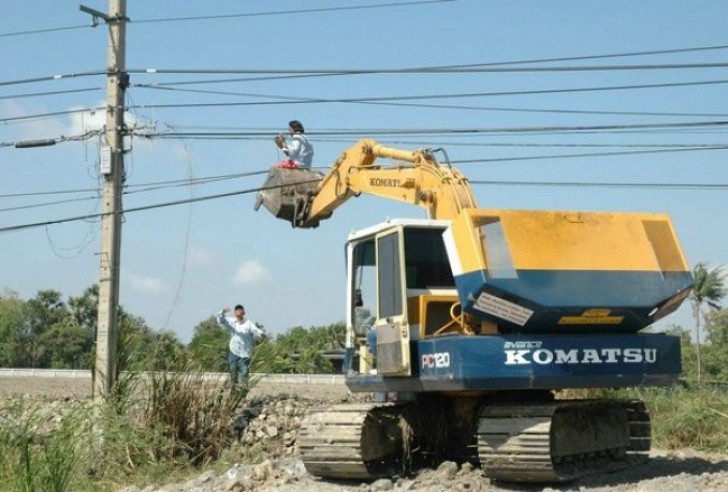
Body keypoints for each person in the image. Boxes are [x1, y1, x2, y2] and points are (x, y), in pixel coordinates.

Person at [216, 304, 266, 385]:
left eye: (240, 309)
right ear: (234, 312)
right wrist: (223, 311)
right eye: (237, 309)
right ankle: (233, 390)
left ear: (244, 312)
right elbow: (220, 320)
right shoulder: (231, 321)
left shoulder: (248, 324)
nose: (238, 311)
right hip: (234, 351)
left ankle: (242, 392)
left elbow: (256, 330)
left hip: (245, 353)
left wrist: (262, 335)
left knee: (244, 372)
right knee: (233, 372)